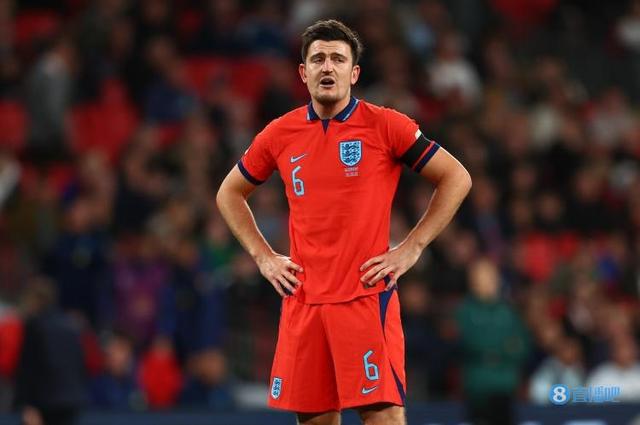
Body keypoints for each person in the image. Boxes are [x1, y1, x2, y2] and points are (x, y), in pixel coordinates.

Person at [216, 19, 471, 425]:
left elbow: (456, 177)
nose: (327, 67)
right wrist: (264, 257)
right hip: (304, 301)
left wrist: (412, 246)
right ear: (303, 73)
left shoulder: (385, 125)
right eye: (318, 59)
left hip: (364, 298)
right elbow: (229, 192)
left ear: (354, 73)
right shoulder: (280, 133)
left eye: (338, 59)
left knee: (383, 418)